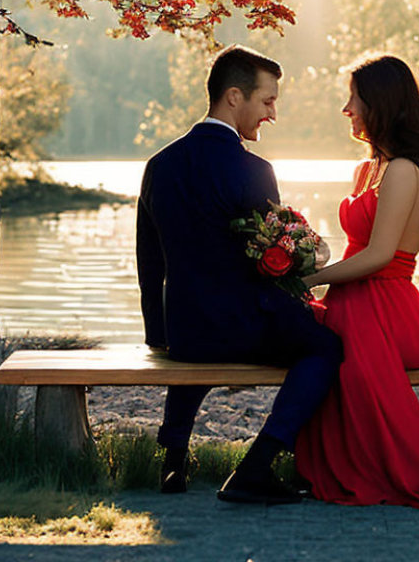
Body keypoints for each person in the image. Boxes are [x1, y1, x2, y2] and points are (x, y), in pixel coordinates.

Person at [137, 45, 343, 504]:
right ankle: (258, 464)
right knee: (326, 347)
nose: (272, 113)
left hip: (185, 333)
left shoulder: (160, 165)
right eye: (267, 101)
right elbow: (265, 261)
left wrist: (159, 333)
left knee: (204, 330)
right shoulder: (253, 170)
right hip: (243, 328)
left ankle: (172, 460)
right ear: (234, 97)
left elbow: (150, 262)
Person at [295, 54, 419, 507]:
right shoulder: (365, 170)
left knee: (349, 351)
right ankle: (326, 460)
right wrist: (306, 256)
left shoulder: (404, 170)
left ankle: (393, 465)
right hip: (354, 298)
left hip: (388, 306)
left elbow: (380, 256)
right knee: (319, 347)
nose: (346, 109)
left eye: (354, 99)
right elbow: (353, 247)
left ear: (380, 103)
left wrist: (312, 279)